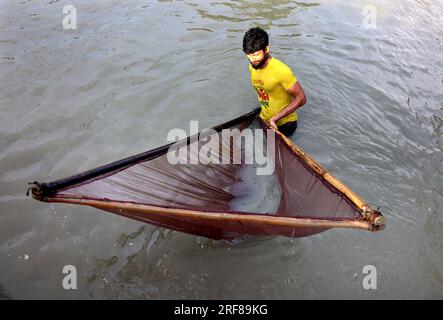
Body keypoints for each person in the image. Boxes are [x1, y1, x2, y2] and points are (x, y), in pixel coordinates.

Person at [243, 27, 307, 136]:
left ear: (266, 49)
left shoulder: (281, 70)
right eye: (248, 54)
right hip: (265, 118)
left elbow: (302, 98)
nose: (252, 59)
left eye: (255, 54)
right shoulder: (252, 67)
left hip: (284, 124)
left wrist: (275, 118)